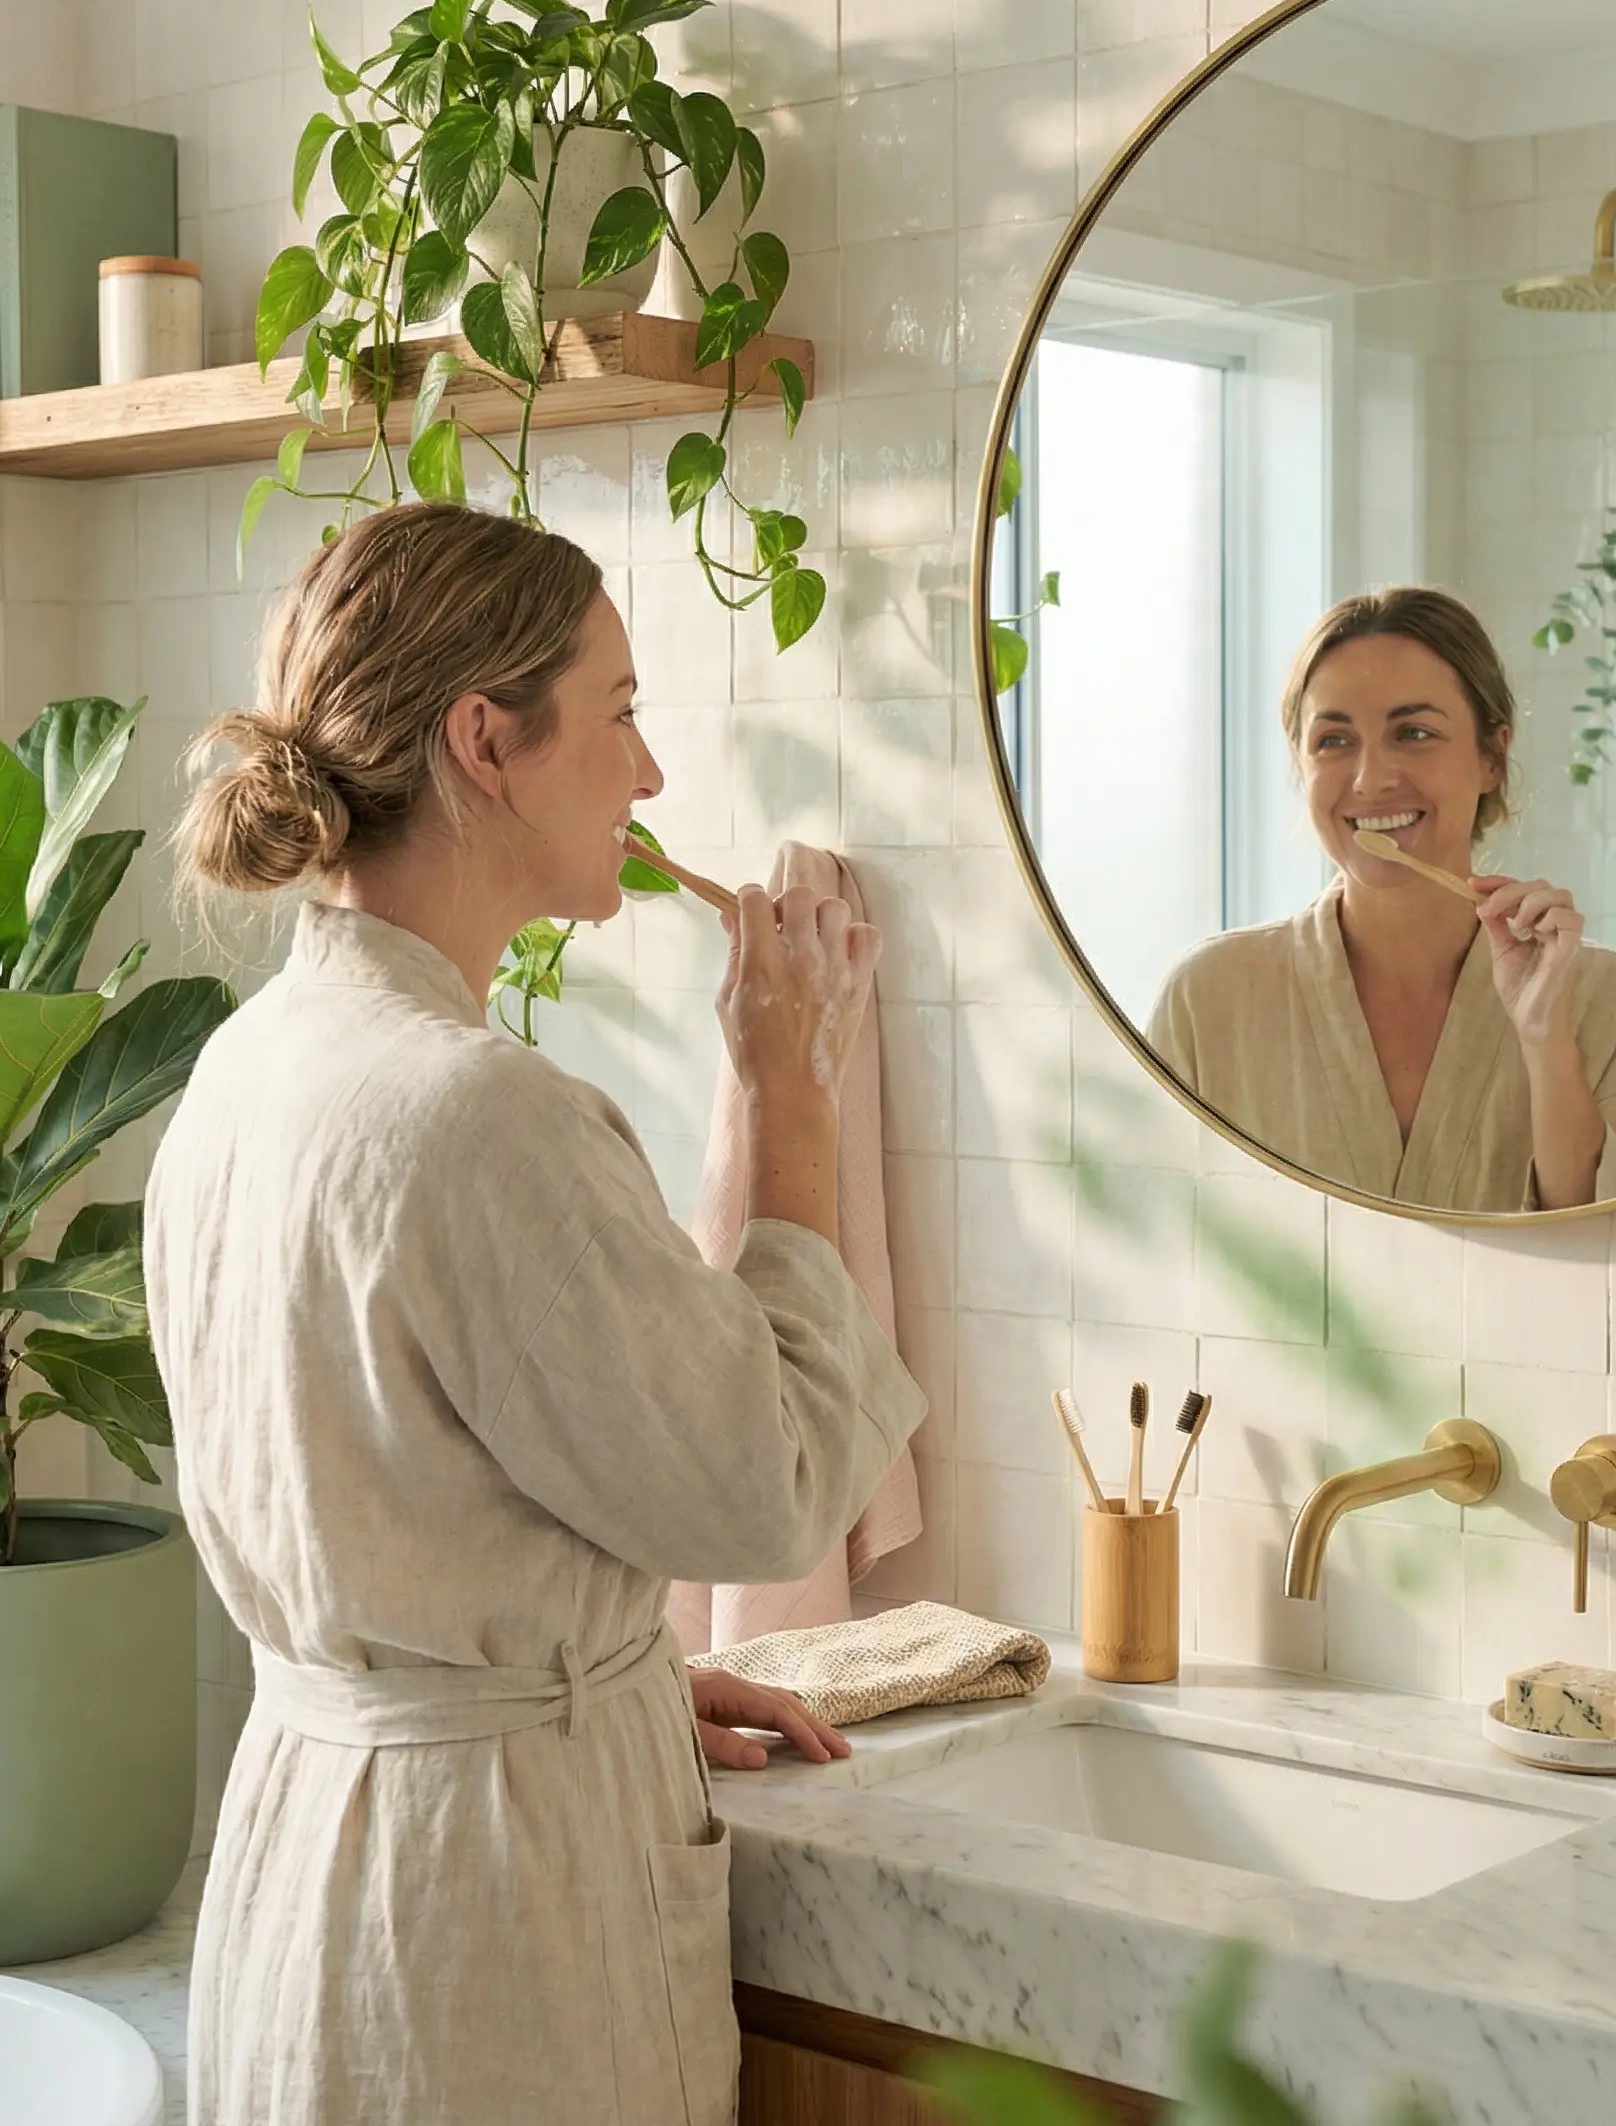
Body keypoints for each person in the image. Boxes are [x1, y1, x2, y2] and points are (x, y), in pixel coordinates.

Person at [144, 504, 927, 2126]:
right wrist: (789, 1082)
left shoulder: (253, 1063)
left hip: (313, 1858)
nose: (647, 777)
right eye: (624, 709)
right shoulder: (480, 1110)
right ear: (486, 741)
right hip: (484, 1919)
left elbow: (396, 1487)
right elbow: (770, 1486)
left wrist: (597, 1657)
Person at [1147, 588, 1616, 1212]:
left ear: (1493, 755)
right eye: (1333, 740)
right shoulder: (1208, 997)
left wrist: (1546, 1041)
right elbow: (1151, 1246)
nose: (1371, 778)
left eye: (1414, 733)